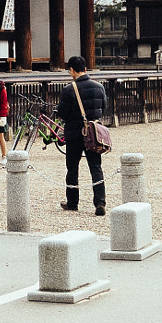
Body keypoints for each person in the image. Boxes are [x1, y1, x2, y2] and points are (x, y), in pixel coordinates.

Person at [58, 54, 107, 213]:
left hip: (73, 133)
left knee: (72, 168)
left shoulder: (69, 89)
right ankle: (100, 202)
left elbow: (63, 113)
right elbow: (103, 108)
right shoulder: (99, 87)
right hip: (93, 133)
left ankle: (72, 202)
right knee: (95, 167)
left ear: (72, 70)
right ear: (85, 68)